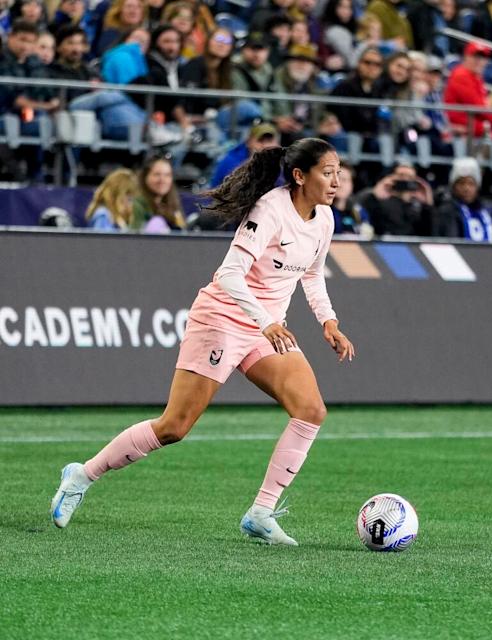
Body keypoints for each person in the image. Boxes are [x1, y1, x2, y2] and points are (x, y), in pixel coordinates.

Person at [50, 138, 356, 548]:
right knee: (174, 427)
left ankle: (261, 513)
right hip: (223, 318)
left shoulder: (325, 218)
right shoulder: (270, 210)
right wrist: (265, 320)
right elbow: (229, 274)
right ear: (300, 176)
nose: (337, 180)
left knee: (311, 410)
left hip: (265, 328)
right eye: (328, 172)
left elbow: (312, 275)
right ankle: (81, 476)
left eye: (339, 171)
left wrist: (328, 321)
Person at [359, 163, 433, 236]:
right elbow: (368, 224)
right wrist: (375, 196)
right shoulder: (381, 200)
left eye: (410, 177)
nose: (405, 179)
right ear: (392, 177)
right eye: (401, 175)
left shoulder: (418, 205)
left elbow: (430, 231)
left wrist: (427, 203)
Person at [433, 157, 492, 242]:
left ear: (477, 187)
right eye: (461, 183)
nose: (466, 188)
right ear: (453, 186)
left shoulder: (485, 212)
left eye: (471, 184)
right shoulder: (446, 211)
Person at [210, 123, 281, 188]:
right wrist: (255, 159)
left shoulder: (283, 160)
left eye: (269, 141)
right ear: (248, 142)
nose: (265, 145)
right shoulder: (230, 159)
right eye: (260, 140)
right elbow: (233, 186)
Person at [132, 156, 185, 231]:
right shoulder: (137, 204)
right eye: (157, 174)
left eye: (167, 175)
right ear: (145, 177)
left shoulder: (174, 205)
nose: (162, 180)